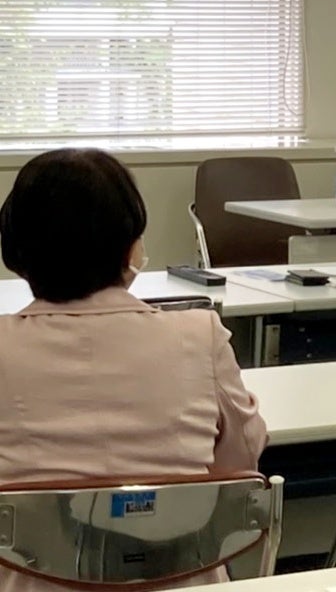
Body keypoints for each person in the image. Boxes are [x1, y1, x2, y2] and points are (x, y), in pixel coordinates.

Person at [0, 149, 267, 592]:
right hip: (182, 575)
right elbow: (239, 468)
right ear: (130, 248)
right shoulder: (201, 335)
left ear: (15, 251)